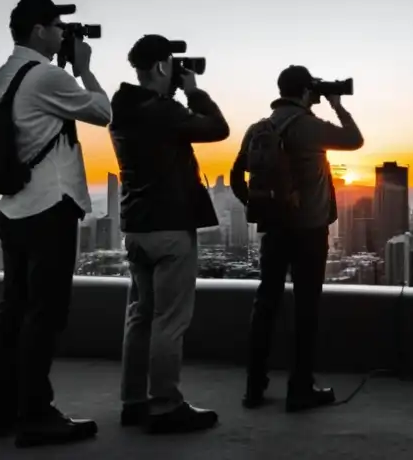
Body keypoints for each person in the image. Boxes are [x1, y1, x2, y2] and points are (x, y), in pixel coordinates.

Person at [0, 0, 111, 448]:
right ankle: (37, 413)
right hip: (49, 207)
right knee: (45, 313)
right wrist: (84, 69)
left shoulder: (5, 75)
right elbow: (102, 112)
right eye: (58, 26)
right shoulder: (47, 76)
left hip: (13, 207)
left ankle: (4, 411)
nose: (63, 33)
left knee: (13, 309)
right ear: (39, 30)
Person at [109, 35, 229, 434]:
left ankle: (133, 402)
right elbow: (218, 129)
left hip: (137, 227)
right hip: (170, 227)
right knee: (169, 320)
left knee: (139, 316)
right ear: (162, 66)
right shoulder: (162, 111)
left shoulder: (122, 108)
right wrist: (195, 92)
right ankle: (165, 404)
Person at [230, 65, 364, 412]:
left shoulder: (259, 127)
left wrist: (256, 205)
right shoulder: (308, 125)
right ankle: (300, 388)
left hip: (273, 229)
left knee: (266, 304)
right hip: (309, 230)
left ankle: (253, 388)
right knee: (306, 309)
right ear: (306, 92)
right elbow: (354, 140)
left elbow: (235, 174)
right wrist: (336, 104)